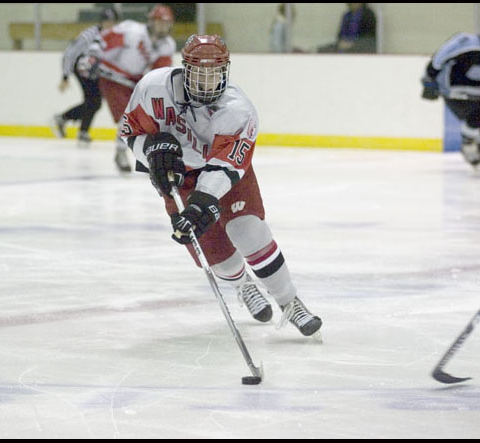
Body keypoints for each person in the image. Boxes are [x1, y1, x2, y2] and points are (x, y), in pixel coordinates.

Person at [119, 34, 323, 337]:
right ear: (185, 69)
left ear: (225, 71)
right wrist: (150, 150)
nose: (207, 82)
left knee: (248, 231)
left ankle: (290, 302)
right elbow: (130, 132)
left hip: (224, 175)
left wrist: (204, 199)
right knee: (218, 260)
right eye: (199, 73)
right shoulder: (152, 88)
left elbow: (225, 166)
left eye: (214, 74)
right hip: (180, 177)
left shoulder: (238, 109)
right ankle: (243, 285)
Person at [421, 16, 480, 168]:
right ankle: (468, 147)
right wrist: (429, 80)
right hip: (453, 86)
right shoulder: (465, 43)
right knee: (475, 117)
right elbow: (440, 57)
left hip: (477, 88)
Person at [95, 4, 176, 172]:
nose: (163, 27)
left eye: (166, 24)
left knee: (144, 117)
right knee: (128, 116)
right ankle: (121, 152)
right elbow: (102, 41)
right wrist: (91, 58)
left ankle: (141, 154)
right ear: (151, 21)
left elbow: (158, 73)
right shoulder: (132, 31)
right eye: (159, 22)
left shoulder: (167, 44)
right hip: (111, 76)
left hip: (133, 81)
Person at [52, 7, 119, 147]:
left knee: (93, 102)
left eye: (112, 22)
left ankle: (70, 123)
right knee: (94, 101)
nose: (109, 25)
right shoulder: (89, 35)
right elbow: (70, 53)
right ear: (101, 22)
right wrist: (65, 76)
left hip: (96, 70)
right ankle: (71, 123)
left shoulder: (115, 36)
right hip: (83, 68)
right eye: (107, 22)